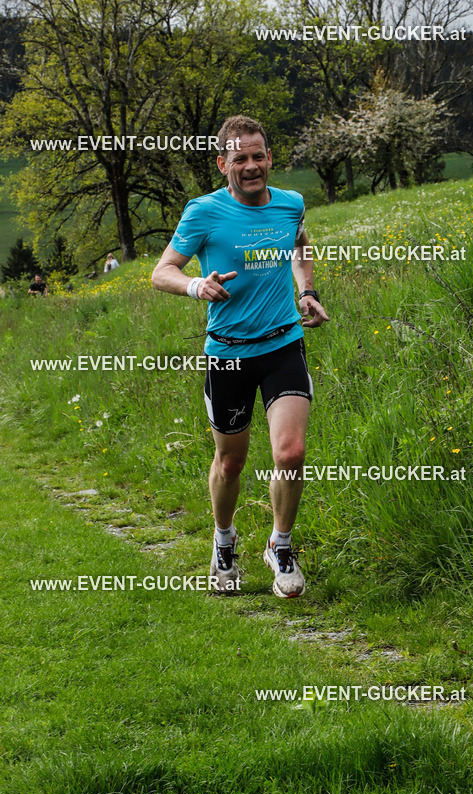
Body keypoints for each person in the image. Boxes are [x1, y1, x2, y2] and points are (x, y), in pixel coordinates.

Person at [151, 115, 329, 597]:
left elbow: (298, 245)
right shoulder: (202, 212)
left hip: (282, 344)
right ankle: (224, 539)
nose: (251, 166)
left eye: (258, 156)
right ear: (223, 162)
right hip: (228, 353)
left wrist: (306, 290)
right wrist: (195, 285)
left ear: (269, 157)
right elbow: (161, 271)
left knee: (290, 453)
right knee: (230, 462)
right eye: (240, 158)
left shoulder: (291, 204)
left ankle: (281, 545)